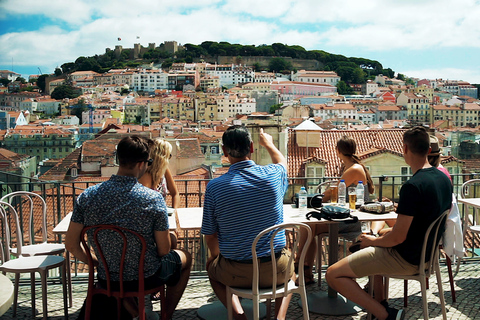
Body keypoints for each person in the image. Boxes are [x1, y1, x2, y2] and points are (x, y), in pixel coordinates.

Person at [325, 126, 453, 320]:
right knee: (376, 237)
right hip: (427, 256)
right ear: (428, 150)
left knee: (333, 274)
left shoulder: (413, 186)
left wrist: (371, 242)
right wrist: (377, 236)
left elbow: (398, 237)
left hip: (406, 259)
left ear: (405, 150)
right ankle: (381, 302)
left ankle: (384, 315)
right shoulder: (443, 179)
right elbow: (413, 227)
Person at [65, 135, 192, 320]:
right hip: (147, 277)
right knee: (185, 257)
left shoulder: (87, 196)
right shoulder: (152, 199)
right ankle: (166, 315)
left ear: (119, 160)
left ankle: (135, 311)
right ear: (142, 164)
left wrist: (98, 263)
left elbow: (71, 244)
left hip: (108, 278)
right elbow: (164, 250)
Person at [201, 126, 292, 320]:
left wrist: (217, 258)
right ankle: (279, 317)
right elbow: (282, 162)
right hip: (276, 270)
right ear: (251, 147)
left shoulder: (215, 187)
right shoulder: (273, 175)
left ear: (224, 152)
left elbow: (210, 235)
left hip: (236, 273)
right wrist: (268, 143)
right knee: (293, 270)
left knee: (212, 269)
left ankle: (238, 315)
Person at [297, 135, 375, 284]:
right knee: (310, 228)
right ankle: (305, 270)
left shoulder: (354, 169)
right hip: (348, 216)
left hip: (352, 220)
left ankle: (300, 264)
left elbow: (331, 194)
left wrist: (313, 199)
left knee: (309, 227)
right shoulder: (352, 167)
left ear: (337, 150)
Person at [138, 137, 180, 208]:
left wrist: (174, 211)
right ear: (162, 157)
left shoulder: (165, 170)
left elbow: (175, 193)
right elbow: (143, 202)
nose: (170, 158)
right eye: (169, 155)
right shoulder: (145, 174)